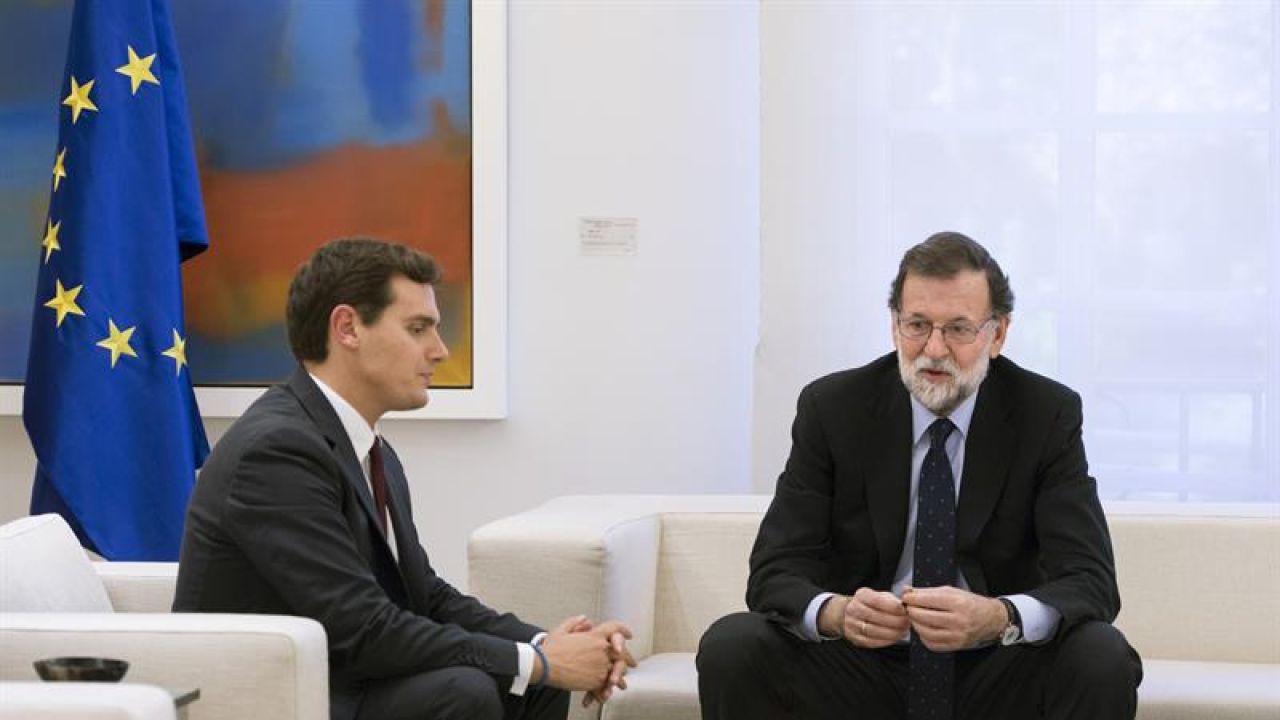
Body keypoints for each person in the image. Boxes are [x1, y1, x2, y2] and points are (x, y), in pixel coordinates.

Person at [174, 237, 634, 720]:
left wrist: (544, 646)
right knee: (472, 689)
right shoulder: (275, 451)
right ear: (348, 328)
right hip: (270, 695)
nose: (440, 350)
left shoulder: (371, 449)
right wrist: (538, 662)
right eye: (418, 329)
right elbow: (363, 628)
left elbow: (425, 594)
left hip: (344, 678)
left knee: (533, 685)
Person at [697, 232, 1142, 720]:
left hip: (993, 664)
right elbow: (774, 569)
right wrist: (838, 614)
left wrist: (998, 616)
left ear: (997, 334)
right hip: (861, 665)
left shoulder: (1045, 414)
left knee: (1102, 656)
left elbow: (1091, 580)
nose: (934, 349)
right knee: (733, 645)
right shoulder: (834, 408)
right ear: (894, 326)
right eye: (917, 325)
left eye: (958, 329)